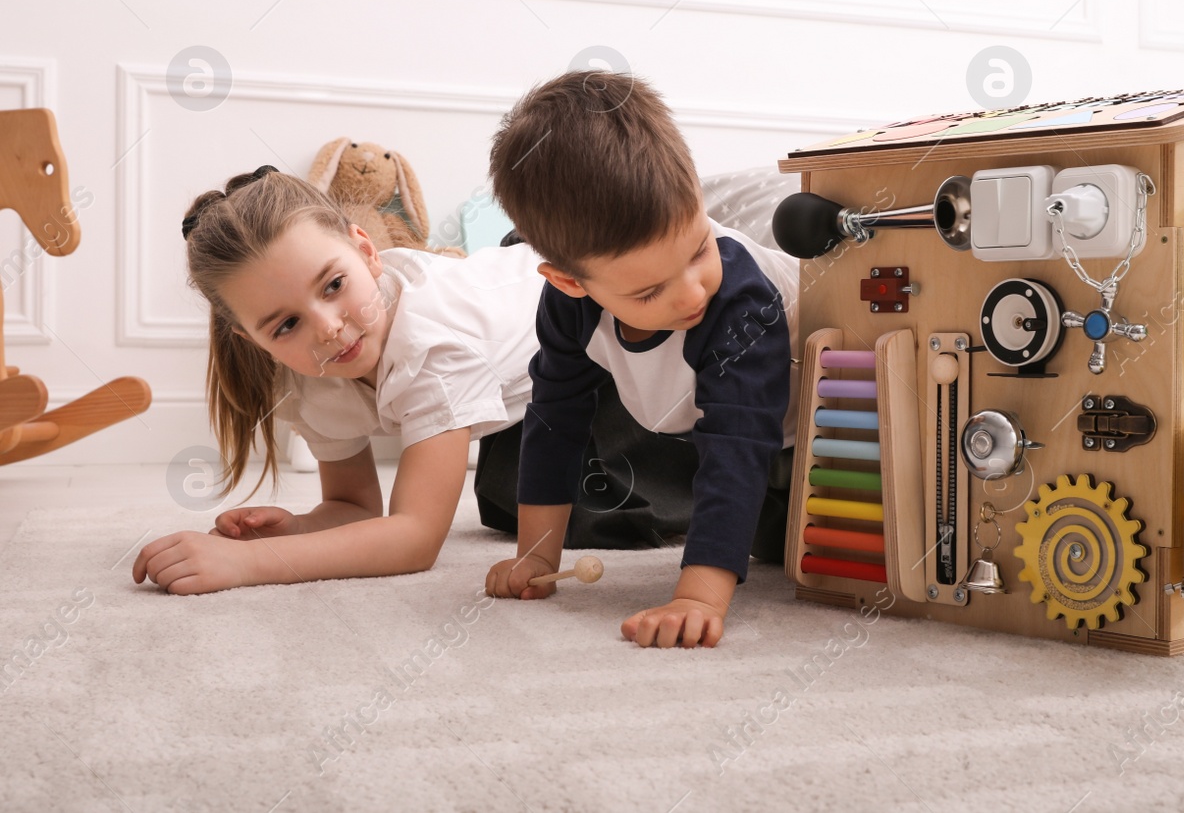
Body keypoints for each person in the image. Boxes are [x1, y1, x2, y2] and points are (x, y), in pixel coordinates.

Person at [480, 70, 798, 649]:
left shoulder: (743, 304)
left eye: (700, 249)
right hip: (704, 423)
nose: (691, 294)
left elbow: (737, 443)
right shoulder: (566, 307)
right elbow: (554, 419)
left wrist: (698, 597)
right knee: (768, 537)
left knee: (810, 549)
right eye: (649, 292)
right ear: (570, 283)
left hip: (817, 424)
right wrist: (534, 556)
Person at [132, 167, 545, 594]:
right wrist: (298, 528)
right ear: (252, 340)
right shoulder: (309, 381)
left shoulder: (433, 341)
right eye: (287, 324)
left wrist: (246, 562)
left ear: (366, 250)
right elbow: (355, 508)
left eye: (333, 285)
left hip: (591, 303)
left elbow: (416, 540)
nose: (328, 328)